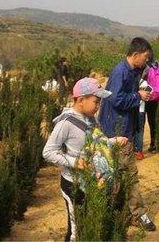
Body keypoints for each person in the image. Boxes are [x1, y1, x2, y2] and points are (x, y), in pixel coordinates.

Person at [43, 77, 113, 241]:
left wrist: (113, 142)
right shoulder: (66, 123)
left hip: (90, 182)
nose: (98, 106)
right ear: (81, 100)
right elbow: (48, 152)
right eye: (96, 102)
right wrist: (74, 162)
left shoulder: (92, 119)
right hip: (72, 184)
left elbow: (97, 142)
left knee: (89, 223)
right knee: (76, 231)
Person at [99, 37, 156, 231]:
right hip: (118, 130)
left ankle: (117, 210)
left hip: (122, 127)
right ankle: (138, 214)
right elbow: (116, 100)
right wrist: (137, 96)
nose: (146, 62)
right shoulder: (120, 72)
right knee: (129, 174)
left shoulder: (130, 71)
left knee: (117, 174)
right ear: (135, 54)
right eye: (145, 58)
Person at [145, 53, 159, 153]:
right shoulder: (158, 66)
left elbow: (142, 83)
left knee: (142, 121)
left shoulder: (145, 67)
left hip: (146, 97)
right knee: (153, 122)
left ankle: (137, 148)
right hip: (156, 97)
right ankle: (154, 144)